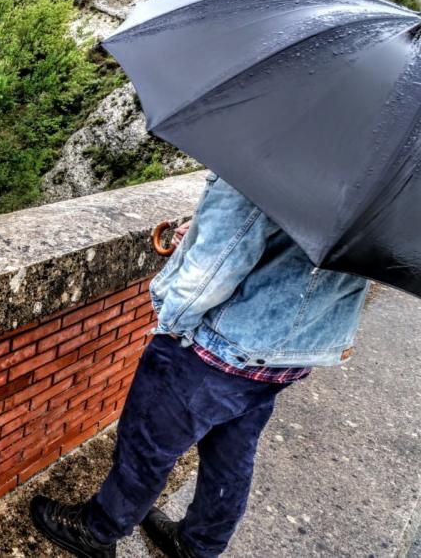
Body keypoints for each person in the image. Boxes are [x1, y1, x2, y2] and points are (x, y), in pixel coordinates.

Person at [29, 173, 371, 558]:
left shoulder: (287, 149)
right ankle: (197, 546)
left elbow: (221, 257)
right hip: (289, 352)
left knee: (147, 444)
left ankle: (98, 529)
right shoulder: (387, 183)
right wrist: (204, 229)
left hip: (218, 346)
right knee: (231, 454)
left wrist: (172, 323)